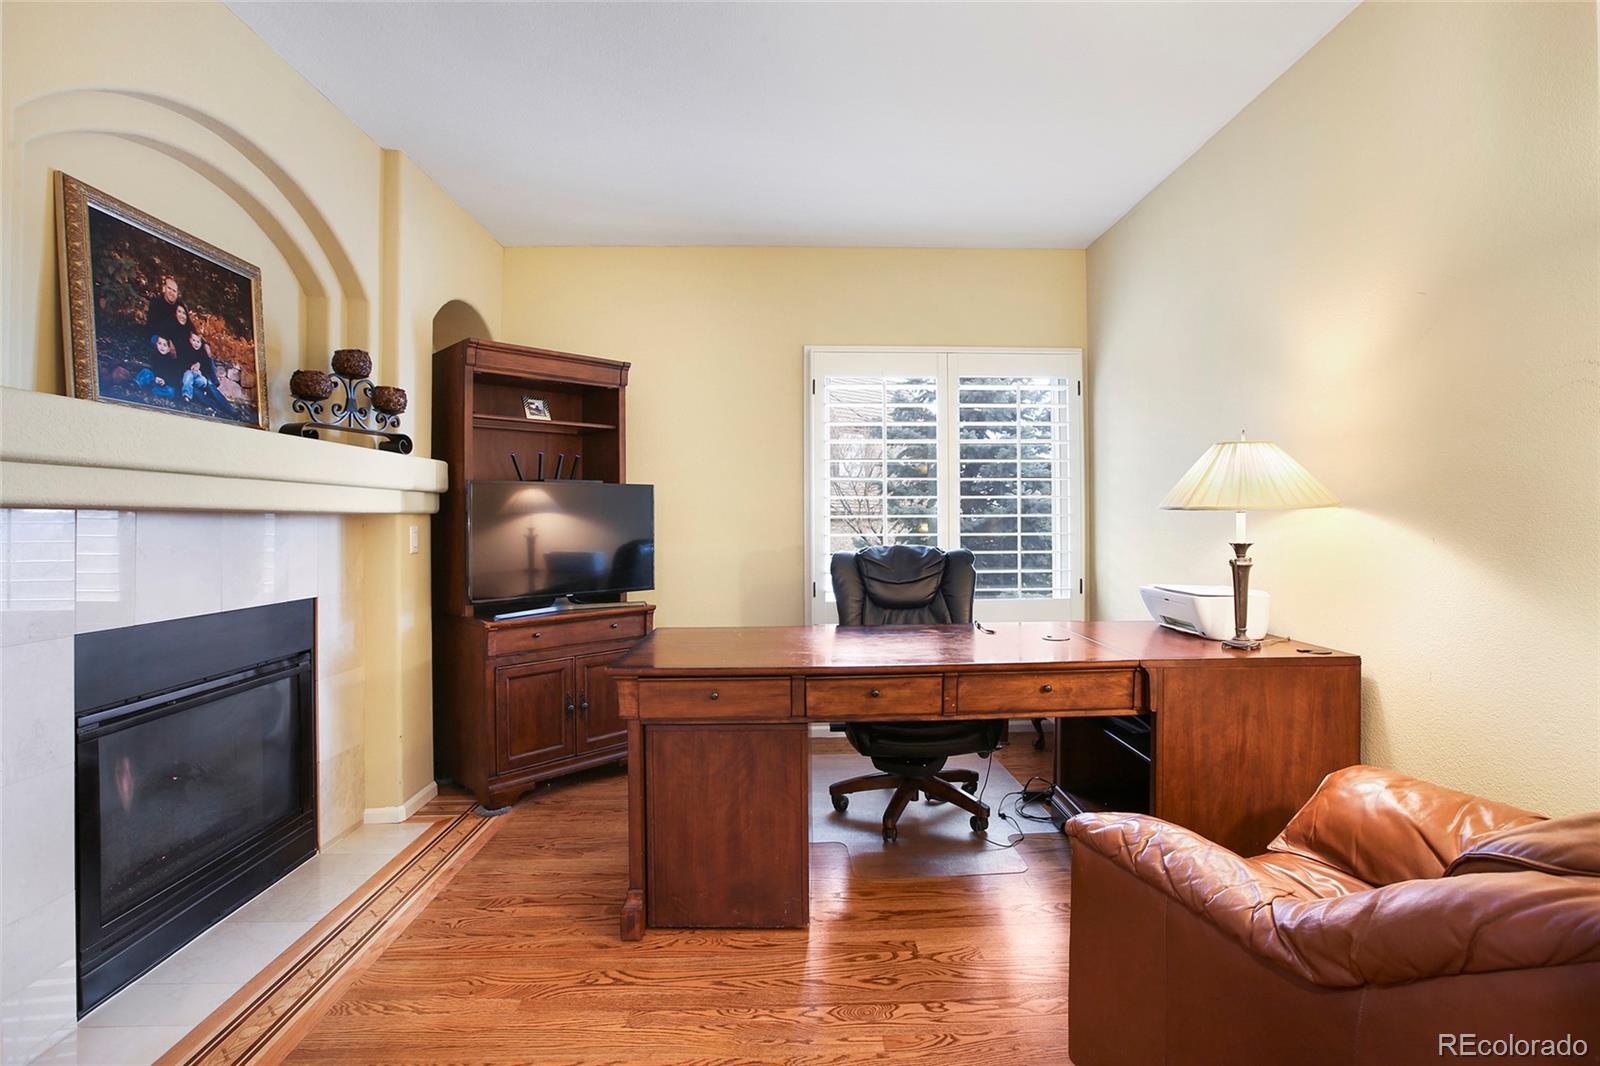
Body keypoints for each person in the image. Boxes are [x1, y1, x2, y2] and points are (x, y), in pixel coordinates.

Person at [180, 330, 237, 417]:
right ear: (189, 340)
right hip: (187, 381)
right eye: (193, 340)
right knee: (197, 393)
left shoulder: (203, 353)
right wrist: (190, 367)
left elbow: (207, 369)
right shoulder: (185, 351)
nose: (195, 343)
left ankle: (230, 409)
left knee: (210, 386)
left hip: (200, 379)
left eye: (198, 341)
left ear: (201, 343)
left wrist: (200, 368)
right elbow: (180, 365)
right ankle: (218, 409)